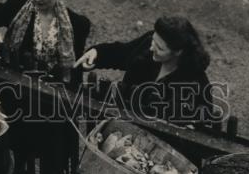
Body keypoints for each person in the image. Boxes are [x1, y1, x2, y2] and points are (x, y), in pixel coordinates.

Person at [75, 17, 216, 125]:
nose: (151, 47)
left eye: (160, 48)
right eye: (154, 41)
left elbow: (204, 122)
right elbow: (122, 53)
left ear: (178, 52)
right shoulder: (148, 45)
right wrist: (97, 53)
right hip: (122, 126)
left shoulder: (195, 82)